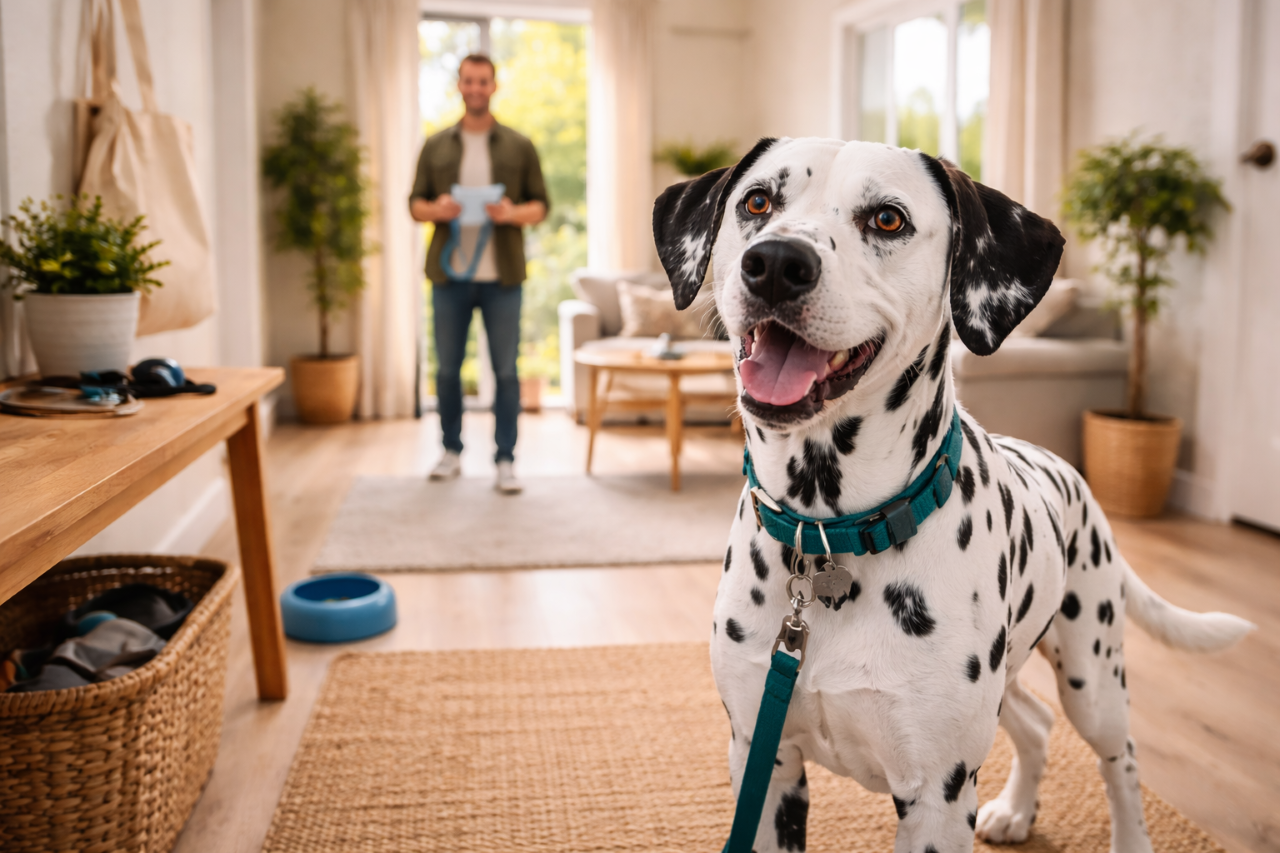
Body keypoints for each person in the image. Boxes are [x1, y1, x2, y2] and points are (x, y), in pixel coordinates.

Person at [410, 53, 548, 495]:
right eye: (468, 81)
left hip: (502, 279)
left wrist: (510, 213)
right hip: (449, 277)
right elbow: (414, 204)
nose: (475, 88)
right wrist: (438, 210)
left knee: (506, 373)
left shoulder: (519, 145)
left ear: (493, 86)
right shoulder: (435, 145)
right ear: (459, 85)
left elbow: (540, 206)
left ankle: (505, 460)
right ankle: (450, 451)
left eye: (483, 81)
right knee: (448, 371)